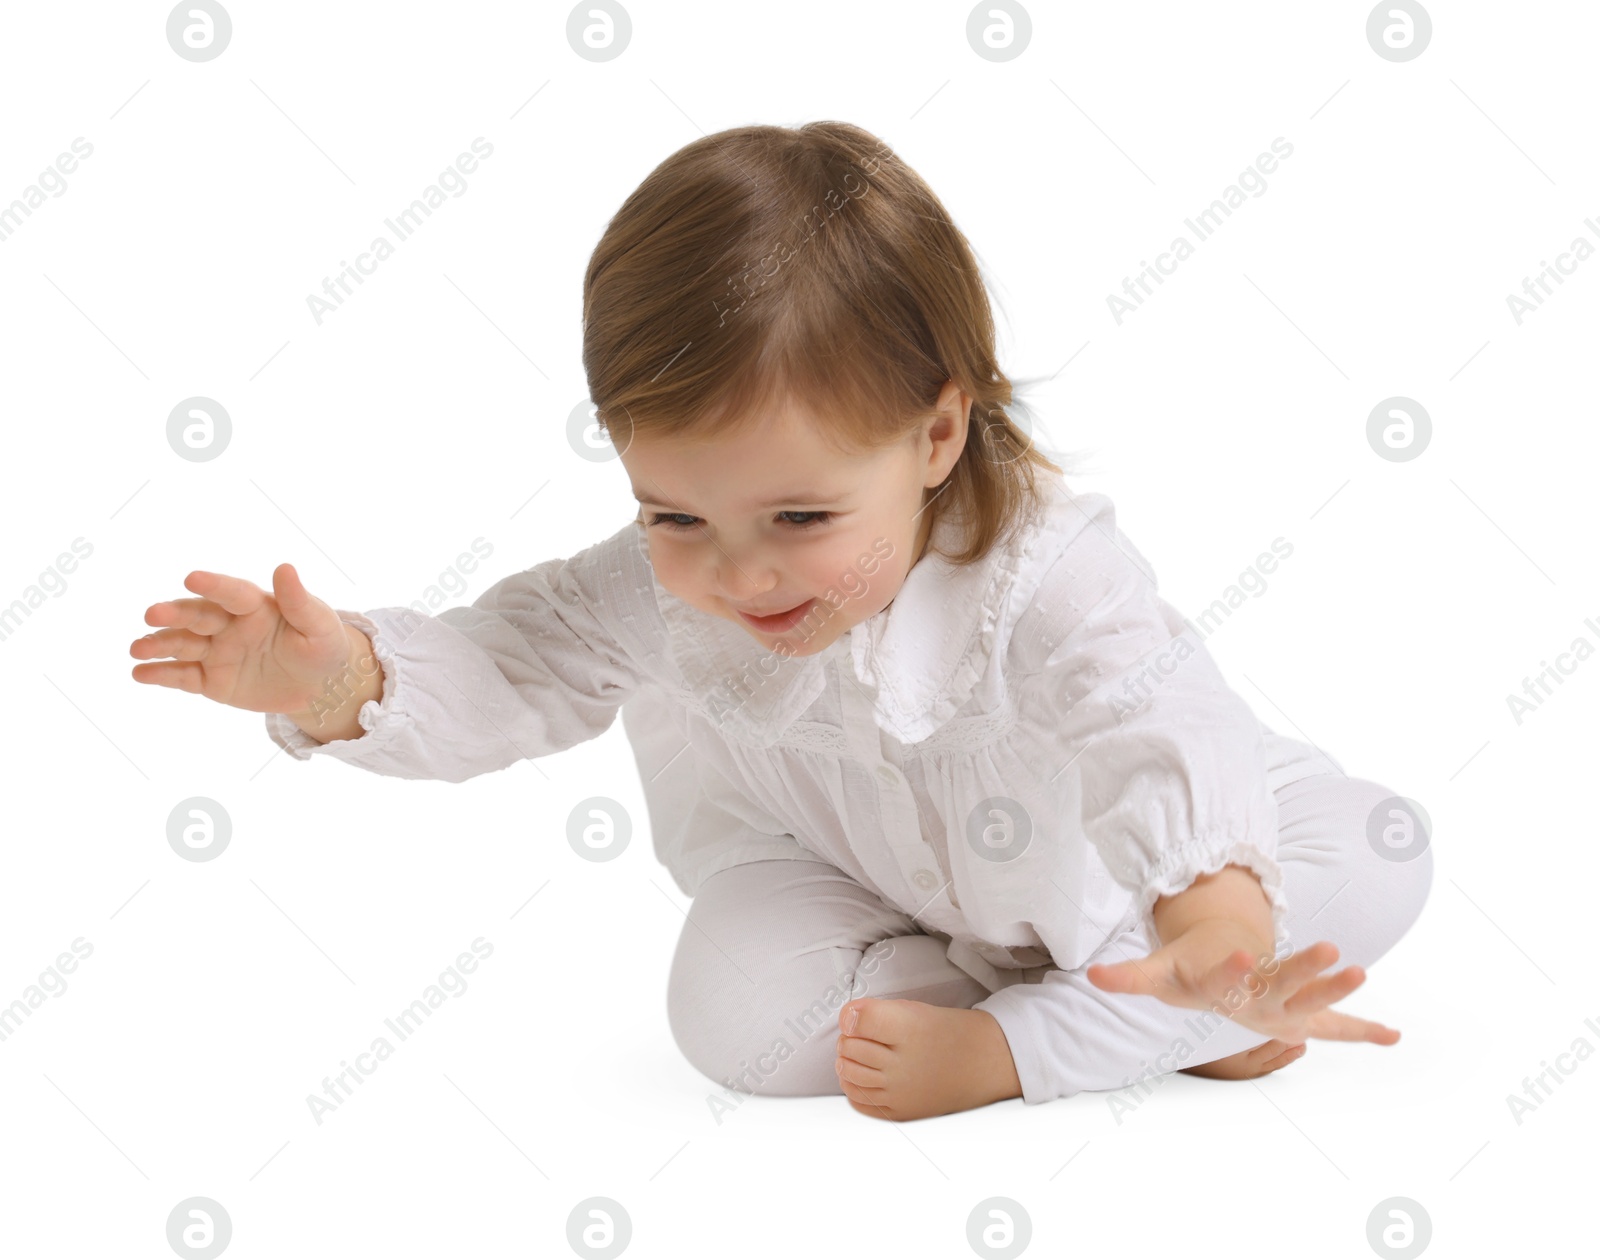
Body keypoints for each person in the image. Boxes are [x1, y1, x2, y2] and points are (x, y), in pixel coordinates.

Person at [129, 121, 1433, 1123]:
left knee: (1378, 852)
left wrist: (1213, 934)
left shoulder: (1045, 574)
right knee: (732, 1022)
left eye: (800, 521)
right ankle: (1168, 1026)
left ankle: (1088, 1025)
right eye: (674, 515)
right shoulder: (662, 586)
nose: (739, 577)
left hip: (1104, 867)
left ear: (935, 431)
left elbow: (1162, 727)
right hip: (864, 880)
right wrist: (335, 674)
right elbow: (507, 664)